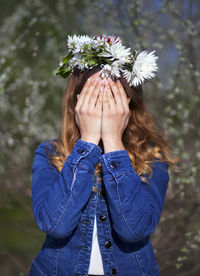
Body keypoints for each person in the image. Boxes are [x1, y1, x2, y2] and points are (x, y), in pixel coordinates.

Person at [27, 34, 179, 276]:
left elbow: (134, 230)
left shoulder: (153, 157)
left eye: (111, 97)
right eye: (93, 96)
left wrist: (113, 142)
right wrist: (87, 142)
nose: (102, 105)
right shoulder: (50, 153)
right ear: (76, 102)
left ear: (128, 103)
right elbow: (55, 225)